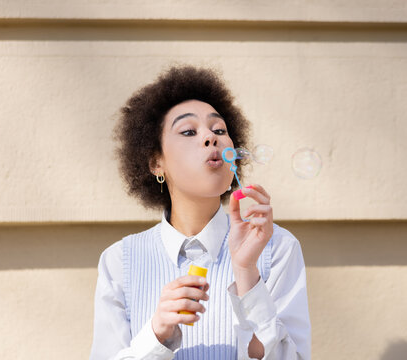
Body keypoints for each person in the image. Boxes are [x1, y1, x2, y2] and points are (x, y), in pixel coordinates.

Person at [89, 65, 311, 360]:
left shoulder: (276, 248)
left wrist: (246, 275)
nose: (211, 137)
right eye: (189, 131)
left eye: (219, 130)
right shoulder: (119, 262)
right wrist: (156, 335)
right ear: (156, 162)